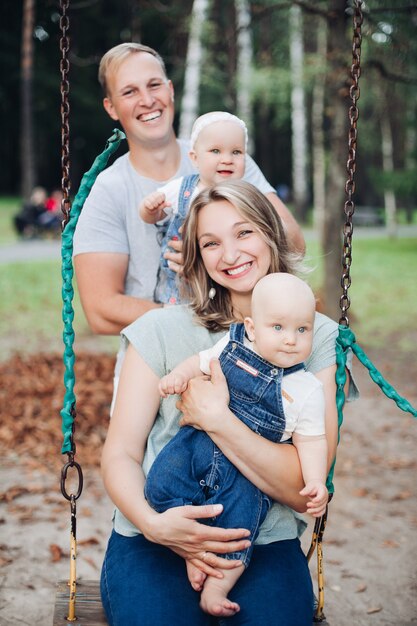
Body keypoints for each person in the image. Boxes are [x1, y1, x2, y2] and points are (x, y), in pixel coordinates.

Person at [100, 180, 358, 625]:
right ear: (198, 257)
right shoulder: (160, 330)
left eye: (244, 233)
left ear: (269, 233)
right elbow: (120, 452)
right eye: (211, 243)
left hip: (262, 538)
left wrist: (217, 419)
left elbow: (301, 489)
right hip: (157, 531)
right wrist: (153, 523)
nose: (231, 253)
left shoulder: (313, 337)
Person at [72, 42, 305, 385]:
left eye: (154, 85)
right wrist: (201, 318)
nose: (147, 100)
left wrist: (222, 254)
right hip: (155, 354)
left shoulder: (224, 157)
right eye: (129, 91)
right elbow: (100, 311)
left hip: (243, 349)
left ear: (170, 90)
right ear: (111, 107)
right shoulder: (110, 190)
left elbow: (294, 244)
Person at [147, 272, 328, 616]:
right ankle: (192, 551)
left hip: (244, 476)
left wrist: (316, 480)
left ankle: (215, 588)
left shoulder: (306, 389)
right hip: (195, 446)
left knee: (238, 528)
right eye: (278, 327)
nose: (291, 339)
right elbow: (198, 363)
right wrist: (179, 377)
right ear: (252, 328)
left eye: (302, 330)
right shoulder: (231, 348)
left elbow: (312, 440)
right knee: (161, 484)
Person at [139, 111, 248, 304]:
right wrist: (150, 210)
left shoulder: (246, 197)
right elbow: (151, 215)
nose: (227, 159)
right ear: (195, 158)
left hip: (227, 275)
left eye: (236, 152)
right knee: (180, 318)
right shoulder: (183, 189)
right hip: (181, 283)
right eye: (215, 151)